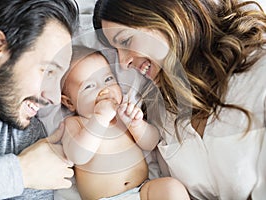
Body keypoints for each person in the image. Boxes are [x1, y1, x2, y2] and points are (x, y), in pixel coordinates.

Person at [93, 0, 266, 199]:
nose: (123, 64)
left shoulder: (258, 75)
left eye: (125, 41)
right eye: (117, 51)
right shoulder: (160, 113)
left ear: (168, 13)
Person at [0, 0, 79, 199]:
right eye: (48, 71)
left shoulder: (24, 143)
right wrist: (21, 173)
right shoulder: (28, 164)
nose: (54, 98)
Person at [60, 46, 190, 200]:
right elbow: (77, 156)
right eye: (89, 86)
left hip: (143, 191)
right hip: (104, 198)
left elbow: (152, 143)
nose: (104, 89)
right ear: (69, 103)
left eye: (108, 79)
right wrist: (99, 118)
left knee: (171, 187)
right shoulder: (75, 123)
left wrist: (137, 125)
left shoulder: (122, 114)